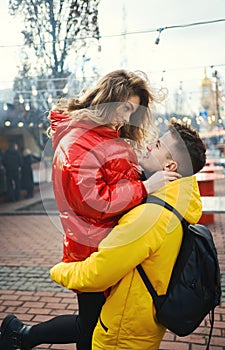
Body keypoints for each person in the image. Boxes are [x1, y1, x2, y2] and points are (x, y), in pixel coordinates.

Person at [0, 70, 180, 350]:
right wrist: (145, 188)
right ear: (108, 99)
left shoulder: (105, 135)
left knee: (94, 323)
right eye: (125, 108)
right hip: (92, 249)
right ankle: (21, 336)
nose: (127, 117)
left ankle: (20, 335)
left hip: (107, 245)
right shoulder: (81, 140)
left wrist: (144, 175)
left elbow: (114, 179)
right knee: (92, 328)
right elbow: (93, 200)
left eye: (133, 111)